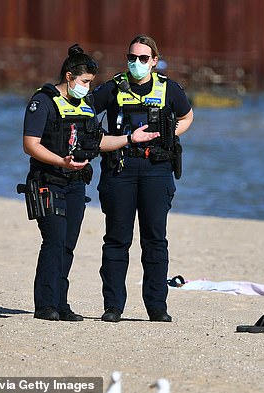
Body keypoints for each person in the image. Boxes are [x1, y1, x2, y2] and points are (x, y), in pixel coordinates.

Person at [22, 44, 160, 321]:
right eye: (85, 81)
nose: (87, 87)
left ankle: (61, 303)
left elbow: (99, 141)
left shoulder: (84, 107)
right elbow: (30, 145)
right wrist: (61, 161)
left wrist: (131, 138)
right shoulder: (43, 102)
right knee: (54, 241)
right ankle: (45, 305)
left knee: (68, 244)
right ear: (70, 76)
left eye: (90, 83)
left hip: (75, 183)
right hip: (48, 180)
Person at [91, 34, 194, 323]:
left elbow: (187, 117)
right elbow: (84, 113)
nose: (136, 63)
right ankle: (113, 306)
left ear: (154, 61)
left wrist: (169, 134)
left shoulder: (168, 89)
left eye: (143, 58)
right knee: (116, 241)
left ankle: (157, 307)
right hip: (120, 170)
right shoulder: (112, 88)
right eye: (132, 58)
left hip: (156, 170)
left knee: (155, 241)